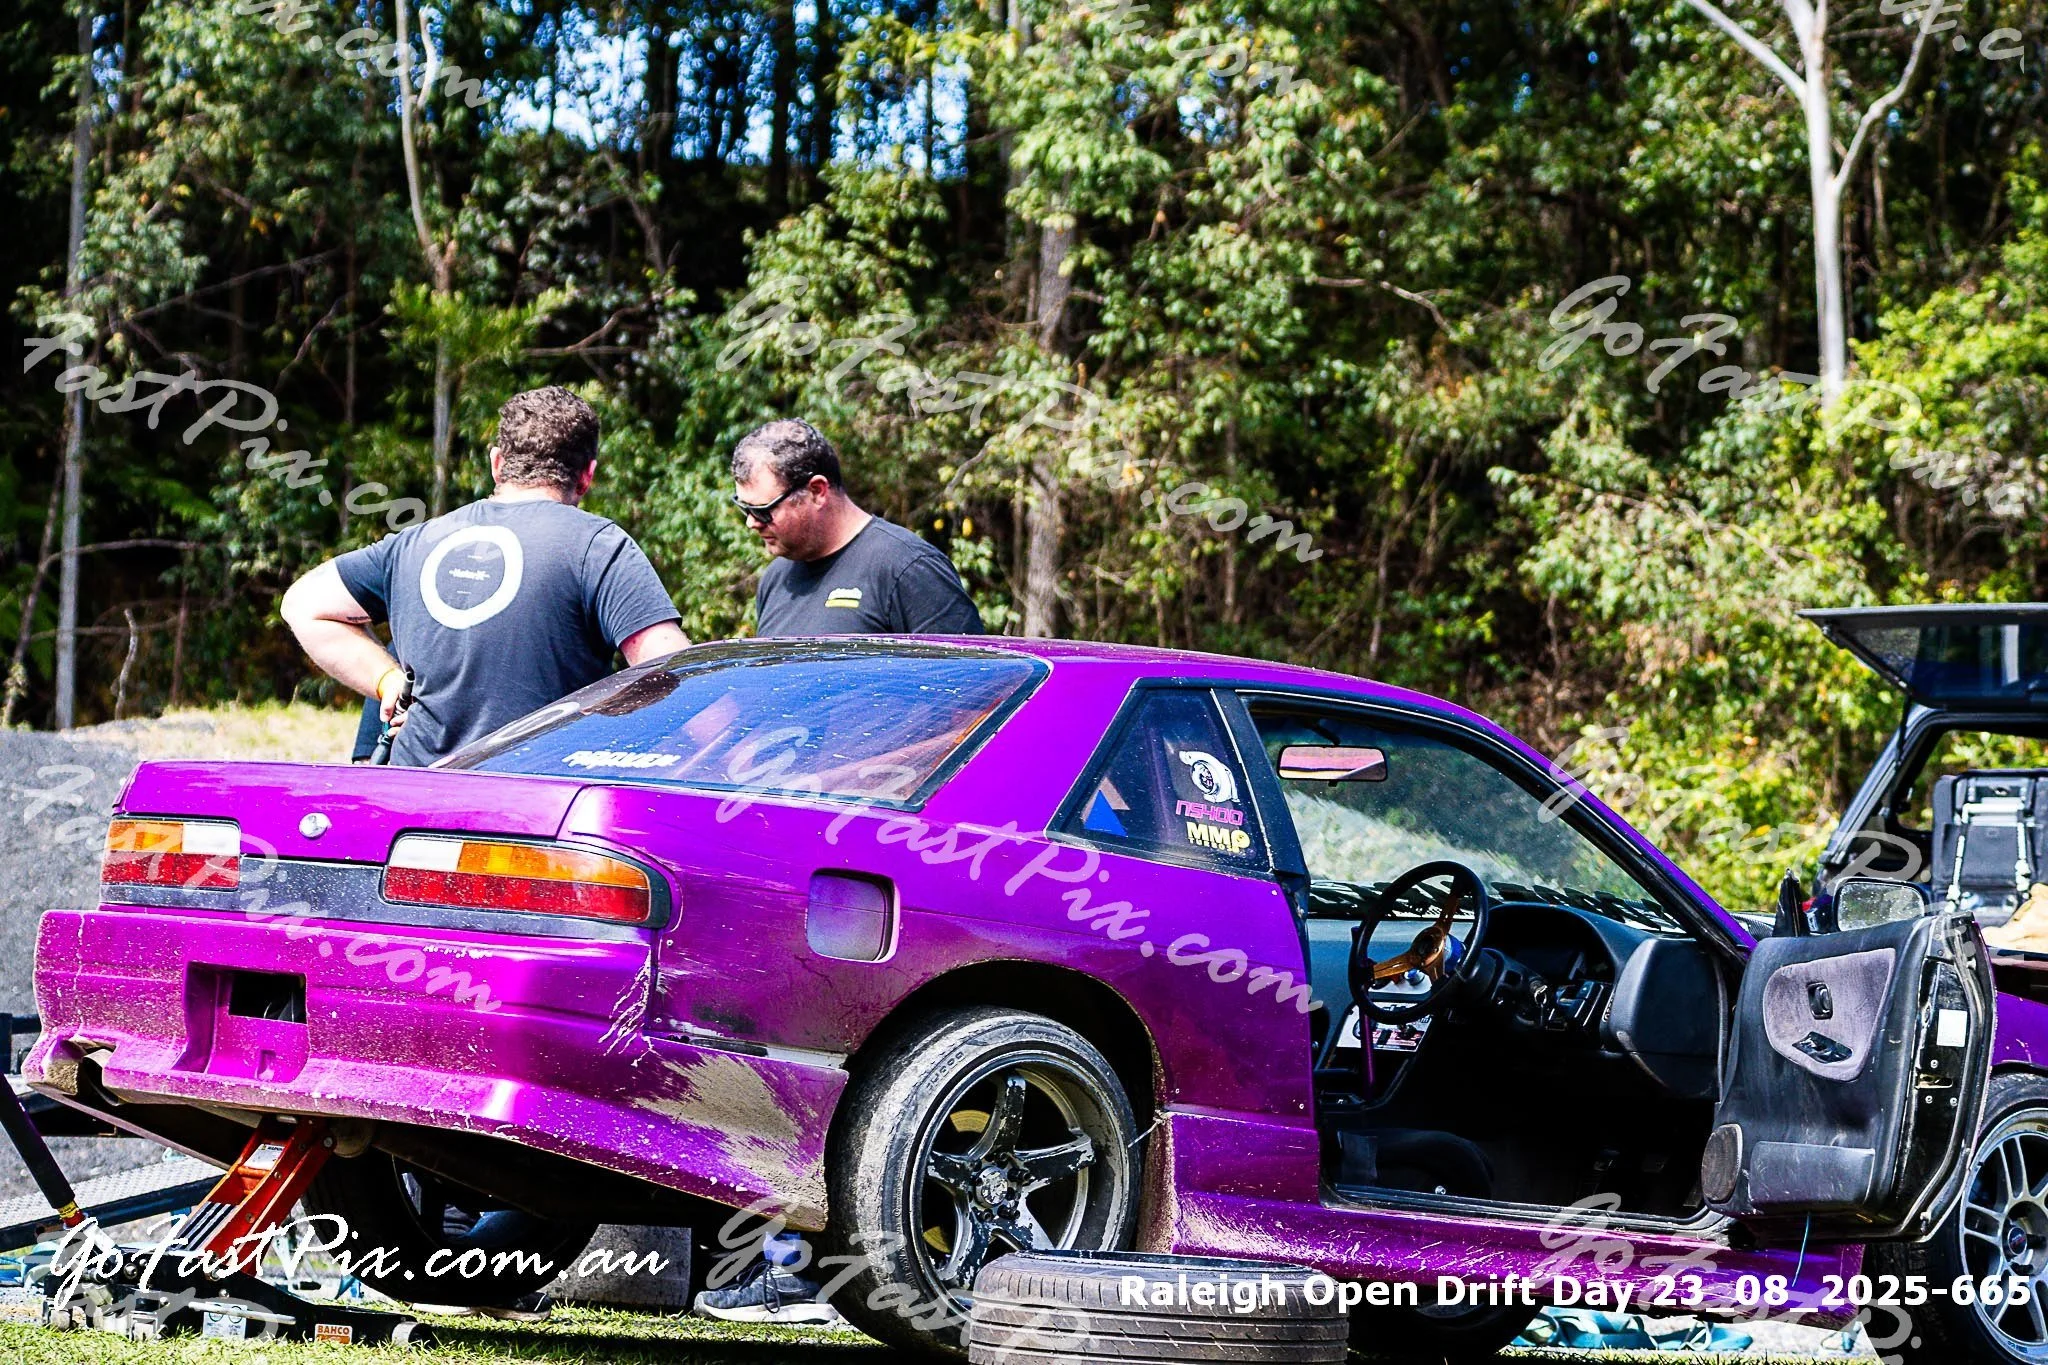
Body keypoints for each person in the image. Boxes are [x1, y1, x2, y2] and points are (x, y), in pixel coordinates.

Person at [282, 385, 688, 768]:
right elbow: (668, 670)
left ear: (497, 463)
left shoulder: (416, 542)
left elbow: (303, 605)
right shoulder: (598, 546)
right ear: (587, 475)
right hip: (534, 809)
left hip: (419, 801)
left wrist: (387, 681)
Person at [734, 419, 983, 636]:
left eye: (763, 510)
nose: (752, 522)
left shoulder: (907, 569)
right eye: (745, 508)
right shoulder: (777, 579)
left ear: (817, 491)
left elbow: (972, 683)